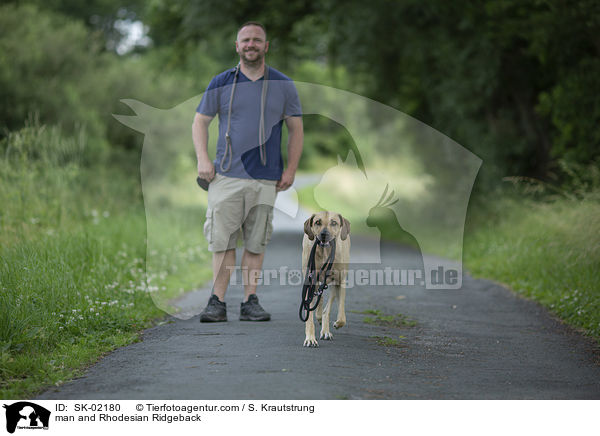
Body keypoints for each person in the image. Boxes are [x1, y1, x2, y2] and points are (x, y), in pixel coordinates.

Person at [192, 21, 303, 322]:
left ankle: (250, 301)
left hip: (266, 177)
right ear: (237, 46)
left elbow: (296, 129)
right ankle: (217, 302)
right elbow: (200, 121)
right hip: (225, 175)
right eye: (245, 40)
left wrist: (291, 168)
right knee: (223, 242)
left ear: (266, 46)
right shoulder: (221, 82)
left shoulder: (283, 85)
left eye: (257, 40)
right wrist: (203, 159)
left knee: (256, 242)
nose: (251, 44)